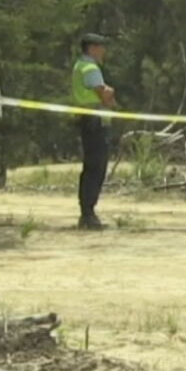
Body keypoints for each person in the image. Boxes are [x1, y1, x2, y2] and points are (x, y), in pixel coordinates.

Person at [72, 33, 116, 230]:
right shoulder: (90, 68)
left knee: (91, 166)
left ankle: (87, 212)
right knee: (96, 167)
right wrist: (112, 100)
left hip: (88, 121)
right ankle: (88, 214)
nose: (104, 51)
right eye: (101, 47)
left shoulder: (80, 66)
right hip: (94, 121)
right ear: (92, 48)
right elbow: (104, 94)